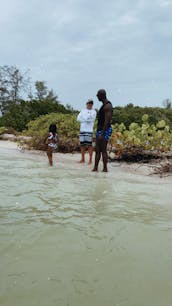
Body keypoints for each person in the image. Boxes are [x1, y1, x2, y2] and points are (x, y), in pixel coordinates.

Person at [92, 89, 113, 172]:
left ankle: (105, 168)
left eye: (98, 95)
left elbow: (107, 121)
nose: (97, 96)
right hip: (101, 129)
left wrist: (102, 134)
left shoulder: (108, 106)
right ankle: (95, 168)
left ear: (102, 95)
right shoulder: (104, 105)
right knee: (97, 150)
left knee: (103, 150)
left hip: (105, 130)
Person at [77, 100, 96, 164]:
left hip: (89, 130)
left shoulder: (94, 111)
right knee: (82, 145)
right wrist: (86, 119)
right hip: (82, 130)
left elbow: (91, 119)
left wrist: (84, 118)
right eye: (88, 103)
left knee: (89, 145)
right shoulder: (83, 110)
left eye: (91, 104)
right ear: (86, 104)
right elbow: (78, 118)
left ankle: (90, 160)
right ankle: (82, 159)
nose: (89, 105)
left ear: (92, 104)